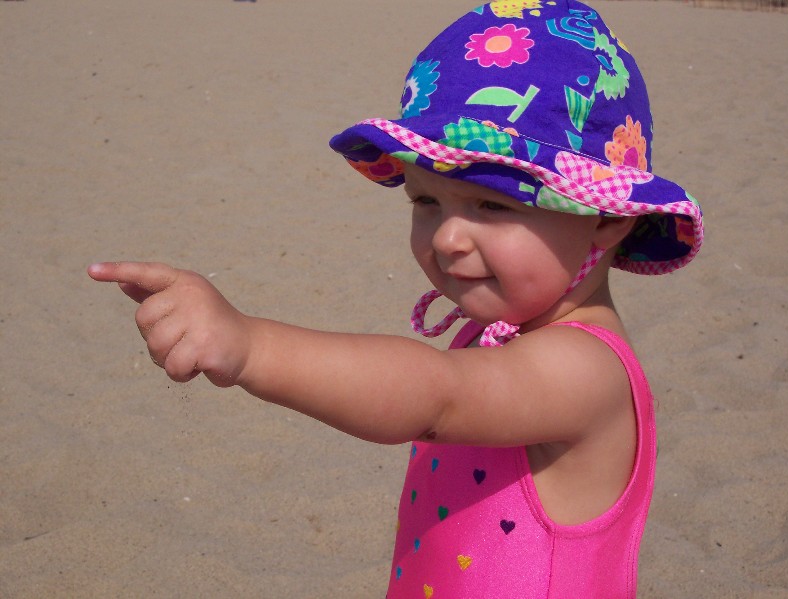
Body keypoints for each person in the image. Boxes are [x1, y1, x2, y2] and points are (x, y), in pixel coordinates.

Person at [88, 1, 704, 596]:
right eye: (425, 201)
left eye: (491, 204)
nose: (448, 237)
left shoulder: (584, 371)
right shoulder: (507, 330)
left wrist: (251, 346)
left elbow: (435, 395)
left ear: (606, 219)